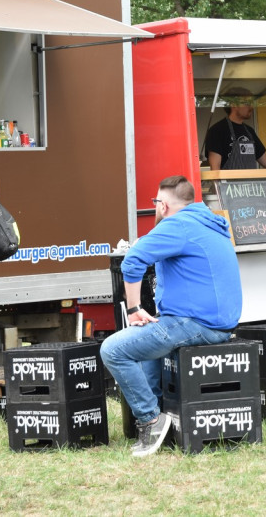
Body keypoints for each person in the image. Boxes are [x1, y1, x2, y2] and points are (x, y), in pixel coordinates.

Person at [100, 175, 242, 458]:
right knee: (150, 348)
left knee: (113, 349)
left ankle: (151, 421)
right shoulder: (207, 221)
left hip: (196, 323)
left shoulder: (177, 226)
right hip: (221, 322)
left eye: (155, 203)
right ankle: (164, 417)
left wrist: (133, 308)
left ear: (162, 205)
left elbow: (131, 261)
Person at [205, 88, 266, 170]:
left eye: (251, 103)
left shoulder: (250, 131)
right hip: (229, 183)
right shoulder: (217, 131)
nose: (251, 107)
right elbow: (215, 169)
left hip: (251, 182)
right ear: (234, 104)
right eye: (247, 103)